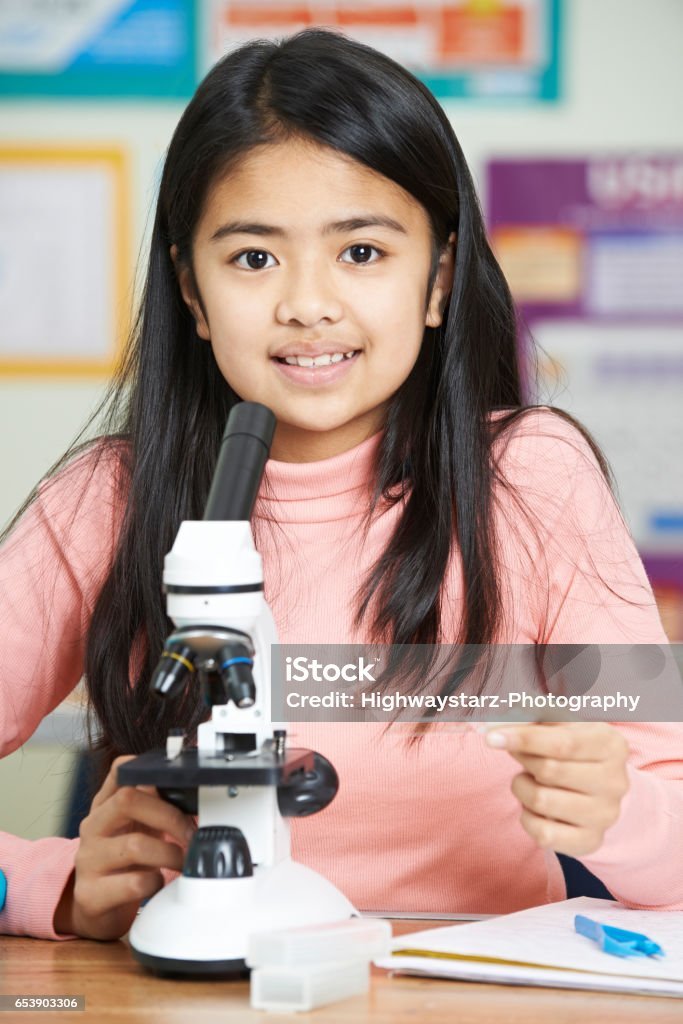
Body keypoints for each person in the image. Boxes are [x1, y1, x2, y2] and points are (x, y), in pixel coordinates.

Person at [1, 28, 681, 943]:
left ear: (437, 279)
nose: (307, 303)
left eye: (361, 252)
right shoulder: (106, 498)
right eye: (253, 258)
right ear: (191, 293)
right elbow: (57, 887)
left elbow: (670, 822)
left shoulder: (531, 478)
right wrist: (52, 886)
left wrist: (619, 816)